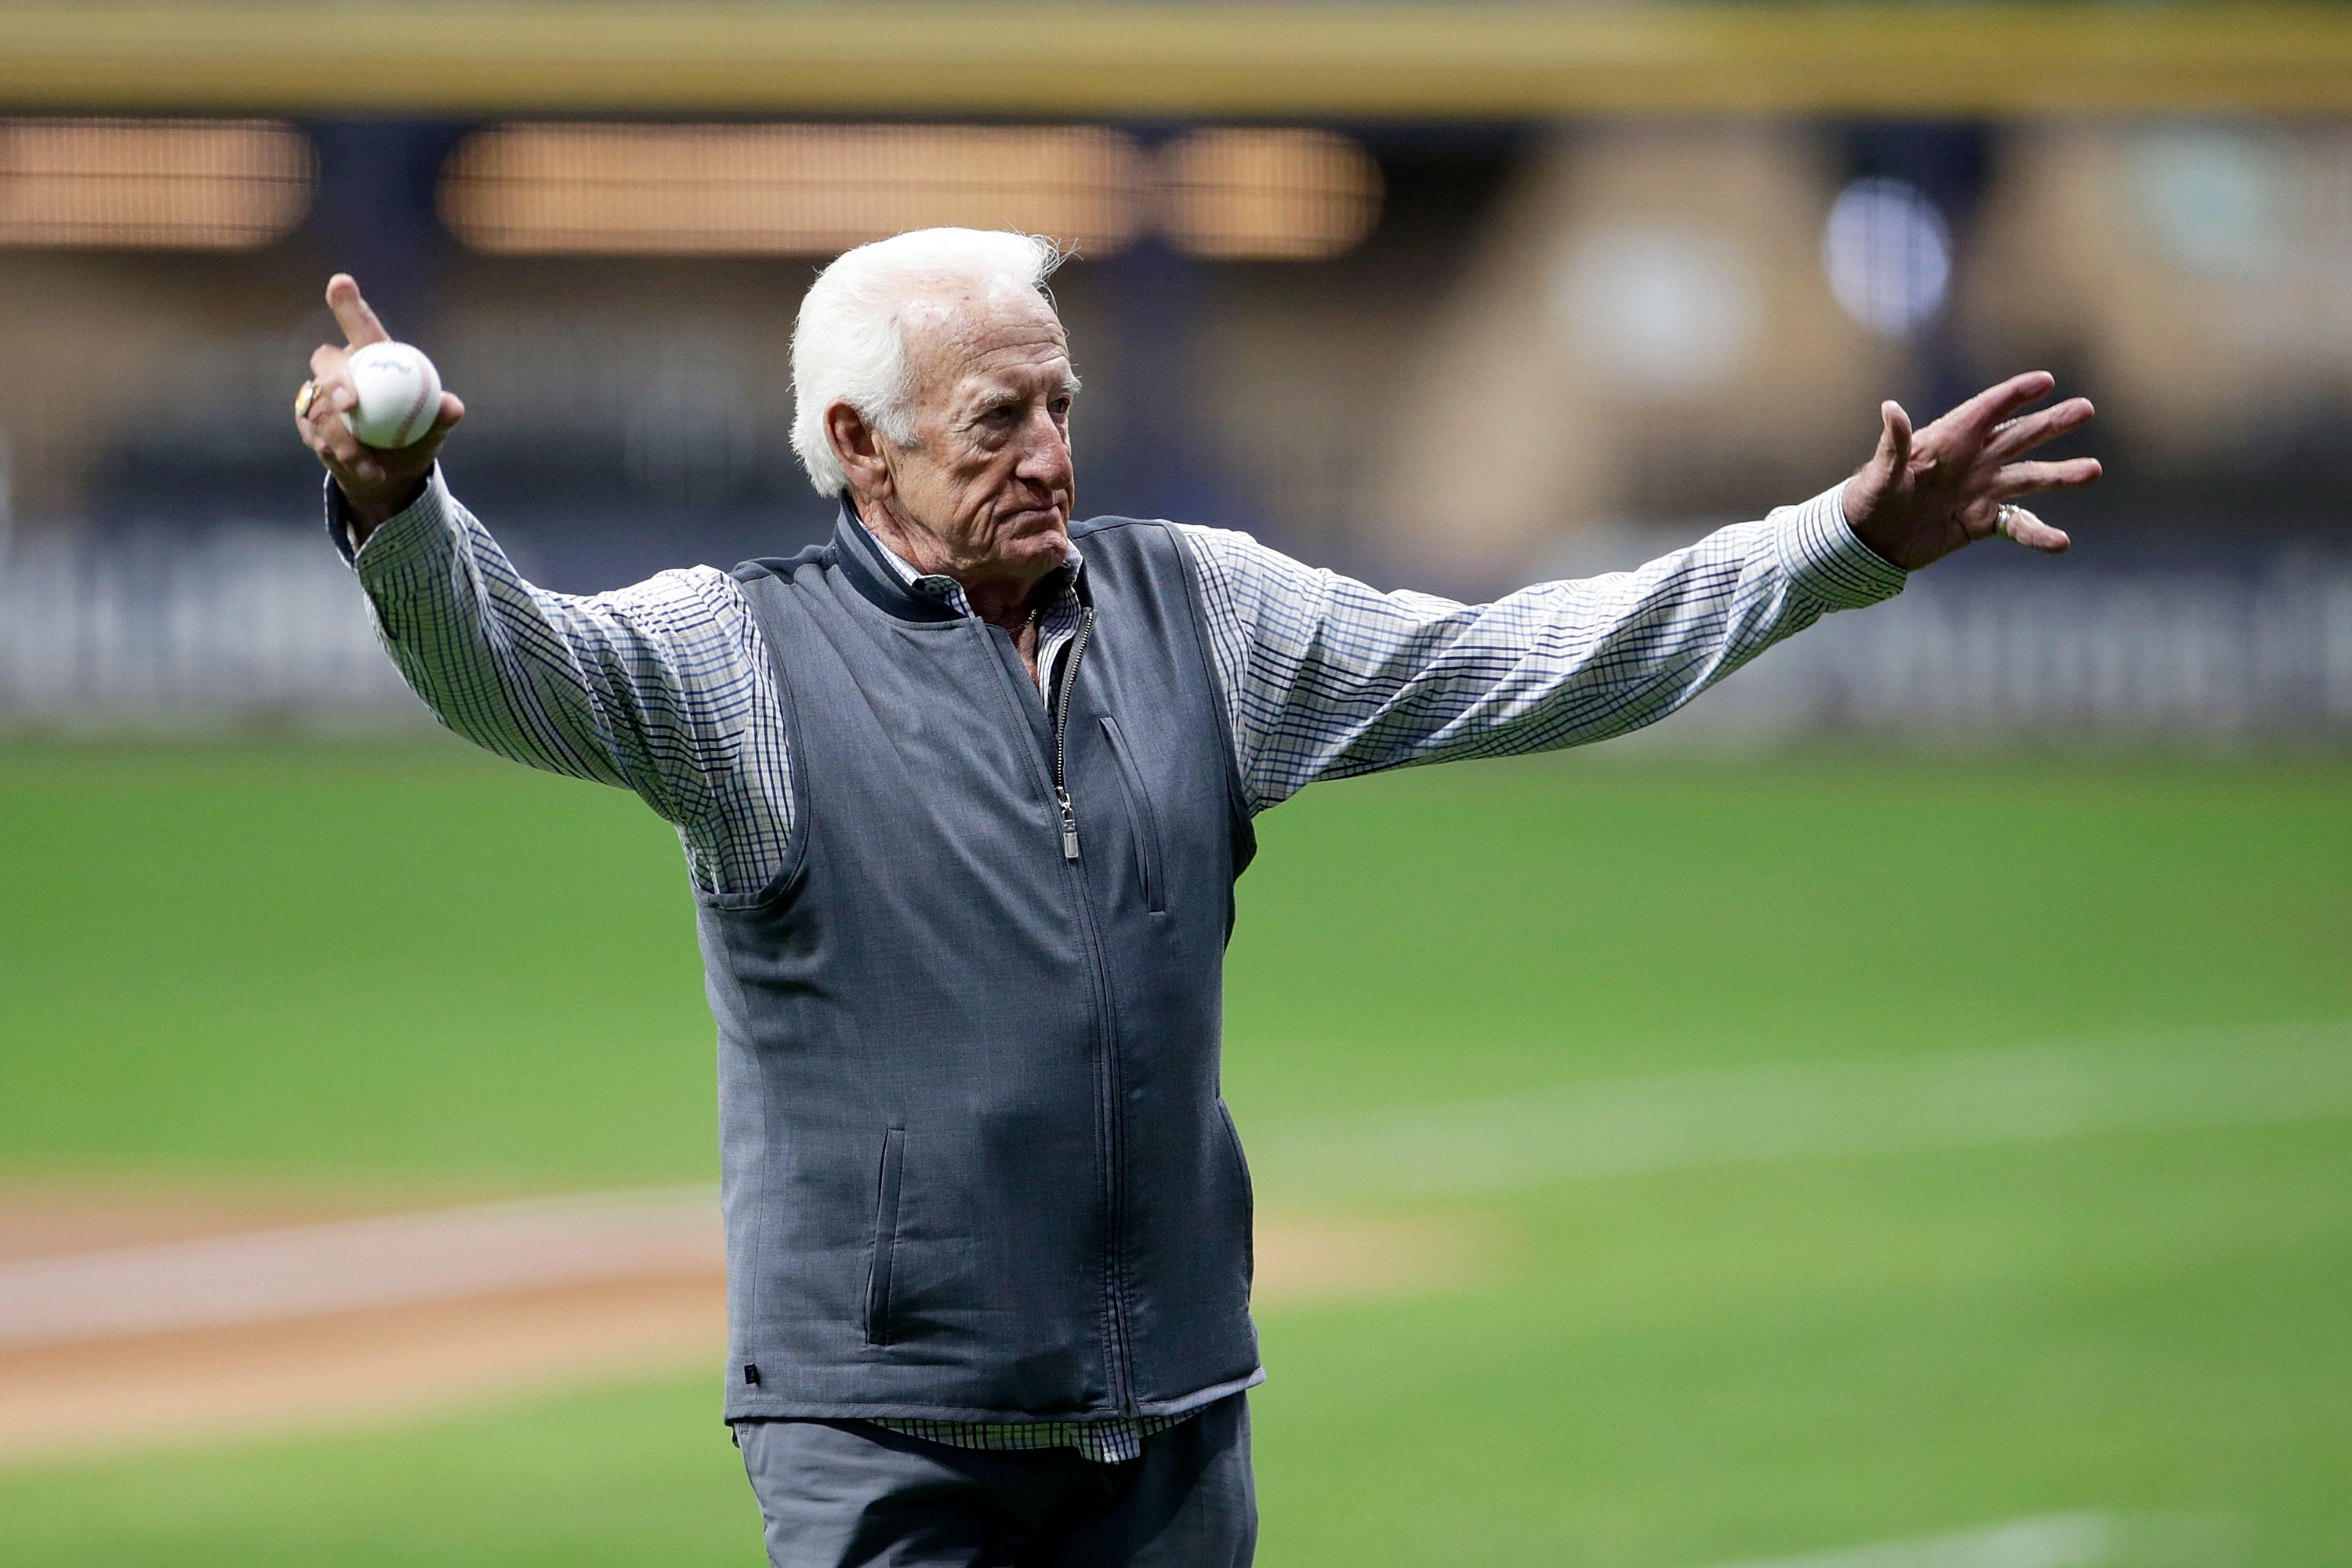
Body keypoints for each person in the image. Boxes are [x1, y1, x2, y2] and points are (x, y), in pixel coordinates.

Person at [292, 227, 2099, 1567]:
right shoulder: (734, 659)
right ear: (862, 444)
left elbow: (1528, 659)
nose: (1053, 455)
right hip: (885, 1438)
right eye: (997, 420)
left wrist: (1834, 546)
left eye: (1063, 407)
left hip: (1169, 1433)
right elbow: (502, 664)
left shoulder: (1199, 613)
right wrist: (402, 513)